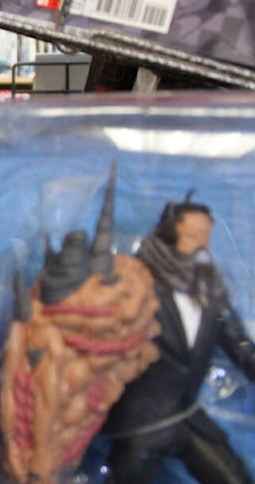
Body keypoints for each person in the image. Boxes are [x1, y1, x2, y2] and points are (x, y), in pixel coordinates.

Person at [101, 194, 255, 484]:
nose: (202, 245)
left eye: (206, 237)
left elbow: (241, 347)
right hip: (142, 422)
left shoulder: (211, 293)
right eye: (194, 235)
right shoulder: (136, 287)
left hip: (187, 416)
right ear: (169, 235)